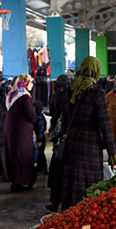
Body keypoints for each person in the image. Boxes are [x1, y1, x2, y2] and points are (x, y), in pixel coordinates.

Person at [59, 56, 116, 210]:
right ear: (96, 71)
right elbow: (105, 126)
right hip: (90, 149)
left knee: (72, 185)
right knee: (89, 187)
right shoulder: (97, 92)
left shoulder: (69, 90)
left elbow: (64, 122)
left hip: (71, 147)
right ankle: (85, 221)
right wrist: (113, 156)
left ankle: (70, 217)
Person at [4, 74, 37, 192]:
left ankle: (15, 180)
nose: (32, 85)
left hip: (11, 131)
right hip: (21, 133)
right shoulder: (24, 97)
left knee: (13, 156)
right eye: (30, 82)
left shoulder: (12, 95)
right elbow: (31, 115)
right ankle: (22, 181)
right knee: (22, 156)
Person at [47, 74, 73, 212]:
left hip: (59, 139)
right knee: (64, 173)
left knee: (56, 172)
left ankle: (54, 202)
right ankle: (65, 203)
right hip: (68, 138)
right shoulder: (72, 96)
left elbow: (52, 114)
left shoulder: (56, 96)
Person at [34, 100, 47, 175]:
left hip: (40, 138)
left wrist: (39, 140)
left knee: (40, 154)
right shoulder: (39, 116)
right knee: (40, 153)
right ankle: (42, 168)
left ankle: (42, 168)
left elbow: (41, 129)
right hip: (40, 138)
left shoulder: (39, 118)